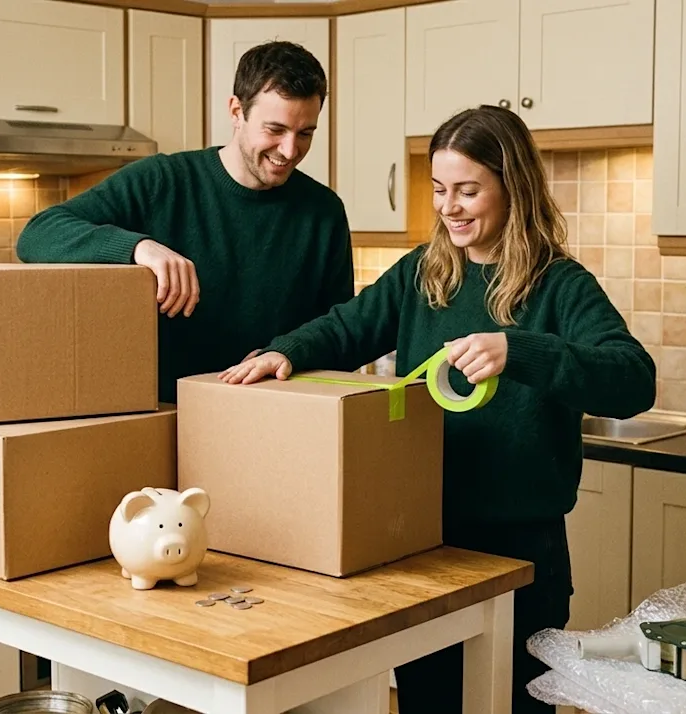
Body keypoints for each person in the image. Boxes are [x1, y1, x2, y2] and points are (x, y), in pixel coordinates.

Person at [217, 105, 657, 713]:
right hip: (424, 551)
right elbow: (346, 328)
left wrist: (519, 350)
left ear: (514, 187)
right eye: (440, 189)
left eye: (468, 191)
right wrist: (284, 352)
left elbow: (633, 380)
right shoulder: (424, 274)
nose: (449, 207)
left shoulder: (560, 285)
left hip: (521, 558)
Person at [15, 40, 354, 404]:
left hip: (273, 413)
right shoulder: (161, 181)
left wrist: (294, 355)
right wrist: (138, 248)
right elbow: (37, 234)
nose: (289, 150)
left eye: (305, 134)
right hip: (159, 413)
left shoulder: (324, 212)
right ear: (236, 111)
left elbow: (340, 337)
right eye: (275, 129)